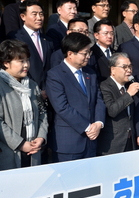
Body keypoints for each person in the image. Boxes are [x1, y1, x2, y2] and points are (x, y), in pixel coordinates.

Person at [46, 33, 106, 162]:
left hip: (92, 140)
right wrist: (87, 127)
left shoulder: (90, 73)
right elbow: (62, 107)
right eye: (84, 53)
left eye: (89, 53)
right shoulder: (55, 75)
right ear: (70, 54)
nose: (88, 57)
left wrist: (98, 123)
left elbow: (99, 100)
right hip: (69, 143)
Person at [0, 39, 48, 170]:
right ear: (6, 63)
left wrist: (41, 137)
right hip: (8, 153)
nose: (26, 65)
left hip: (33, 150)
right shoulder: (1, 86)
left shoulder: (32, 85)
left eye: (27, 60)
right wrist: (20, 144)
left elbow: (42, 113)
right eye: (21, 61)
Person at [97, 53, 139, 155]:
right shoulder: (105, 86)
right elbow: (111, 111)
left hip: (130, 140)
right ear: (113, 69)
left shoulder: (128, 86)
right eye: (124, 67)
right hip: (113, 142)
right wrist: (128, 94)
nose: (129, 70)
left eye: (130, 66)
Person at [8, 0, 54, 94]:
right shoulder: (14, 38)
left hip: (49, 91)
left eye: (41, 14)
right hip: (26, 90)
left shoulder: (48, 40)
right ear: (23, 16)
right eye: (34, 14)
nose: (39, 18)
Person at [90, 18, 116, 83]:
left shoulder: (116, 52)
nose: (109, 36)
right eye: (106, 33)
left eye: (111, 33)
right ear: (96, 35)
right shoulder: (91, 53)